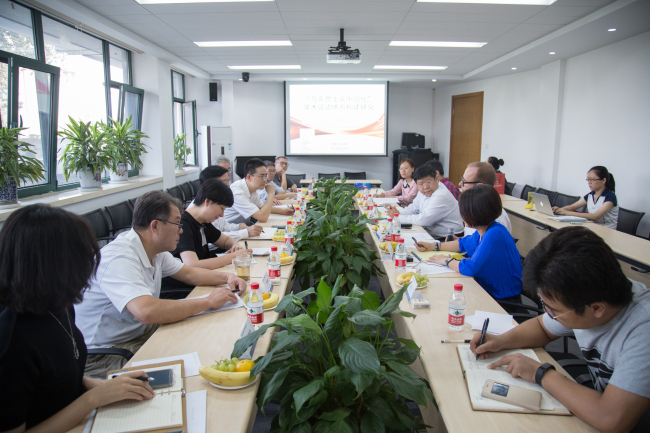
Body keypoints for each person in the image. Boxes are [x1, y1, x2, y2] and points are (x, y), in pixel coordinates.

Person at [469, 227, 650, 432]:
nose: (548, 314)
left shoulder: (643, 330)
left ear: (597, 309)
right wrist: (501, 341)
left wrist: (541, 373)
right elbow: (542, 327)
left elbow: (611, 419)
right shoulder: (591, 292)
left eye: (554, 311)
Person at [0, 204, 155, 432]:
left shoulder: (57, 304)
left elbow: (60, 376)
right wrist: (92, 399)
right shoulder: (11, 343)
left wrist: (104, 386)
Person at [75, 191, 247, 378]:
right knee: (188, 366)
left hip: (136, 332)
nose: (181, 230)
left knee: (201, 334)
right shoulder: (119, 258)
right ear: (155, 226)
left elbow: (190, 274)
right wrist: (207, 301)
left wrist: (227, 277)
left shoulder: (155, 250)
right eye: (177, 224)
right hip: (106, 352)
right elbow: (147, 311)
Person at [416, 185, 522, 304]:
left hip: (501, 300)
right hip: (487, 290)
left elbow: (471, 268)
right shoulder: (486, 229)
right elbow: (462, 244)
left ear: (476, 213)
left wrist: (446, 260)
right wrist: (434, 246)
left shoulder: (494, 234)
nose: (461, 216)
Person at [161, 178, 254, 299]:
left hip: (200, 280)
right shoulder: (183, 224)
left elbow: (225, 240)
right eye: (221, 208)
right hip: (184, 288)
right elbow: (192, 265)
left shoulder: (203, 222)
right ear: (207, 202)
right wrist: (234, 256)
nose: (222, 215)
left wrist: (234, 245)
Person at [384, 164, 464, 238]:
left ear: (436, 178)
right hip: (430, 233)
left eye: (428, 182)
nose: (425, 187)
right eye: (421, 184)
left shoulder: (441, 195)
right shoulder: (424, 192)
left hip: (448, 238)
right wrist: (399, 213)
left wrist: (398, 217)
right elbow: (413, 208)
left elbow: (424, 220)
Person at [197, 165, 262, 240]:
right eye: (225, 182)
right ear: (210, 183)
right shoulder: (206, 206)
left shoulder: (217, 200)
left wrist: (239, 227)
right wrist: (245, 233)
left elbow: (224, 226)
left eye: (228, 181)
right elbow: (214, 238)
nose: (229, 185)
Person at [224, 158, 294, 224]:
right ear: (249, 177)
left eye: (265, 176)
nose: (265, 180)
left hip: (244, 227)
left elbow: (262, 207)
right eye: (261, 176)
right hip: (231, 230)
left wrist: (283, 211)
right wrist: (271, 194)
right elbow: (262, 217)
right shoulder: (237, 192)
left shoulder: (253, 190)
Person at [552, 166, 619, 229]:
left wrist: (567, 213)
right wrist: (559, 210)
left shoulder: (610, 197)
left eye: (592, 180)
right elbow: (572, 207)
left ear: (603, 180)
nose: (589, 182)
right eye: (588, 179)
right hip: (593, 228)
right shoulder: (591, 195)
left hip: (606, 230)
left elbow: (596, 216)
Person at [460, 161, 512, 236]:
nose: (460, 184)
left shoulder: (496, 220)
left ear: (479, 187)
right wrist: (460, 240)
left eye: (465, 181)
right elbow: (472, 240)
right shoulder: (475, 209)